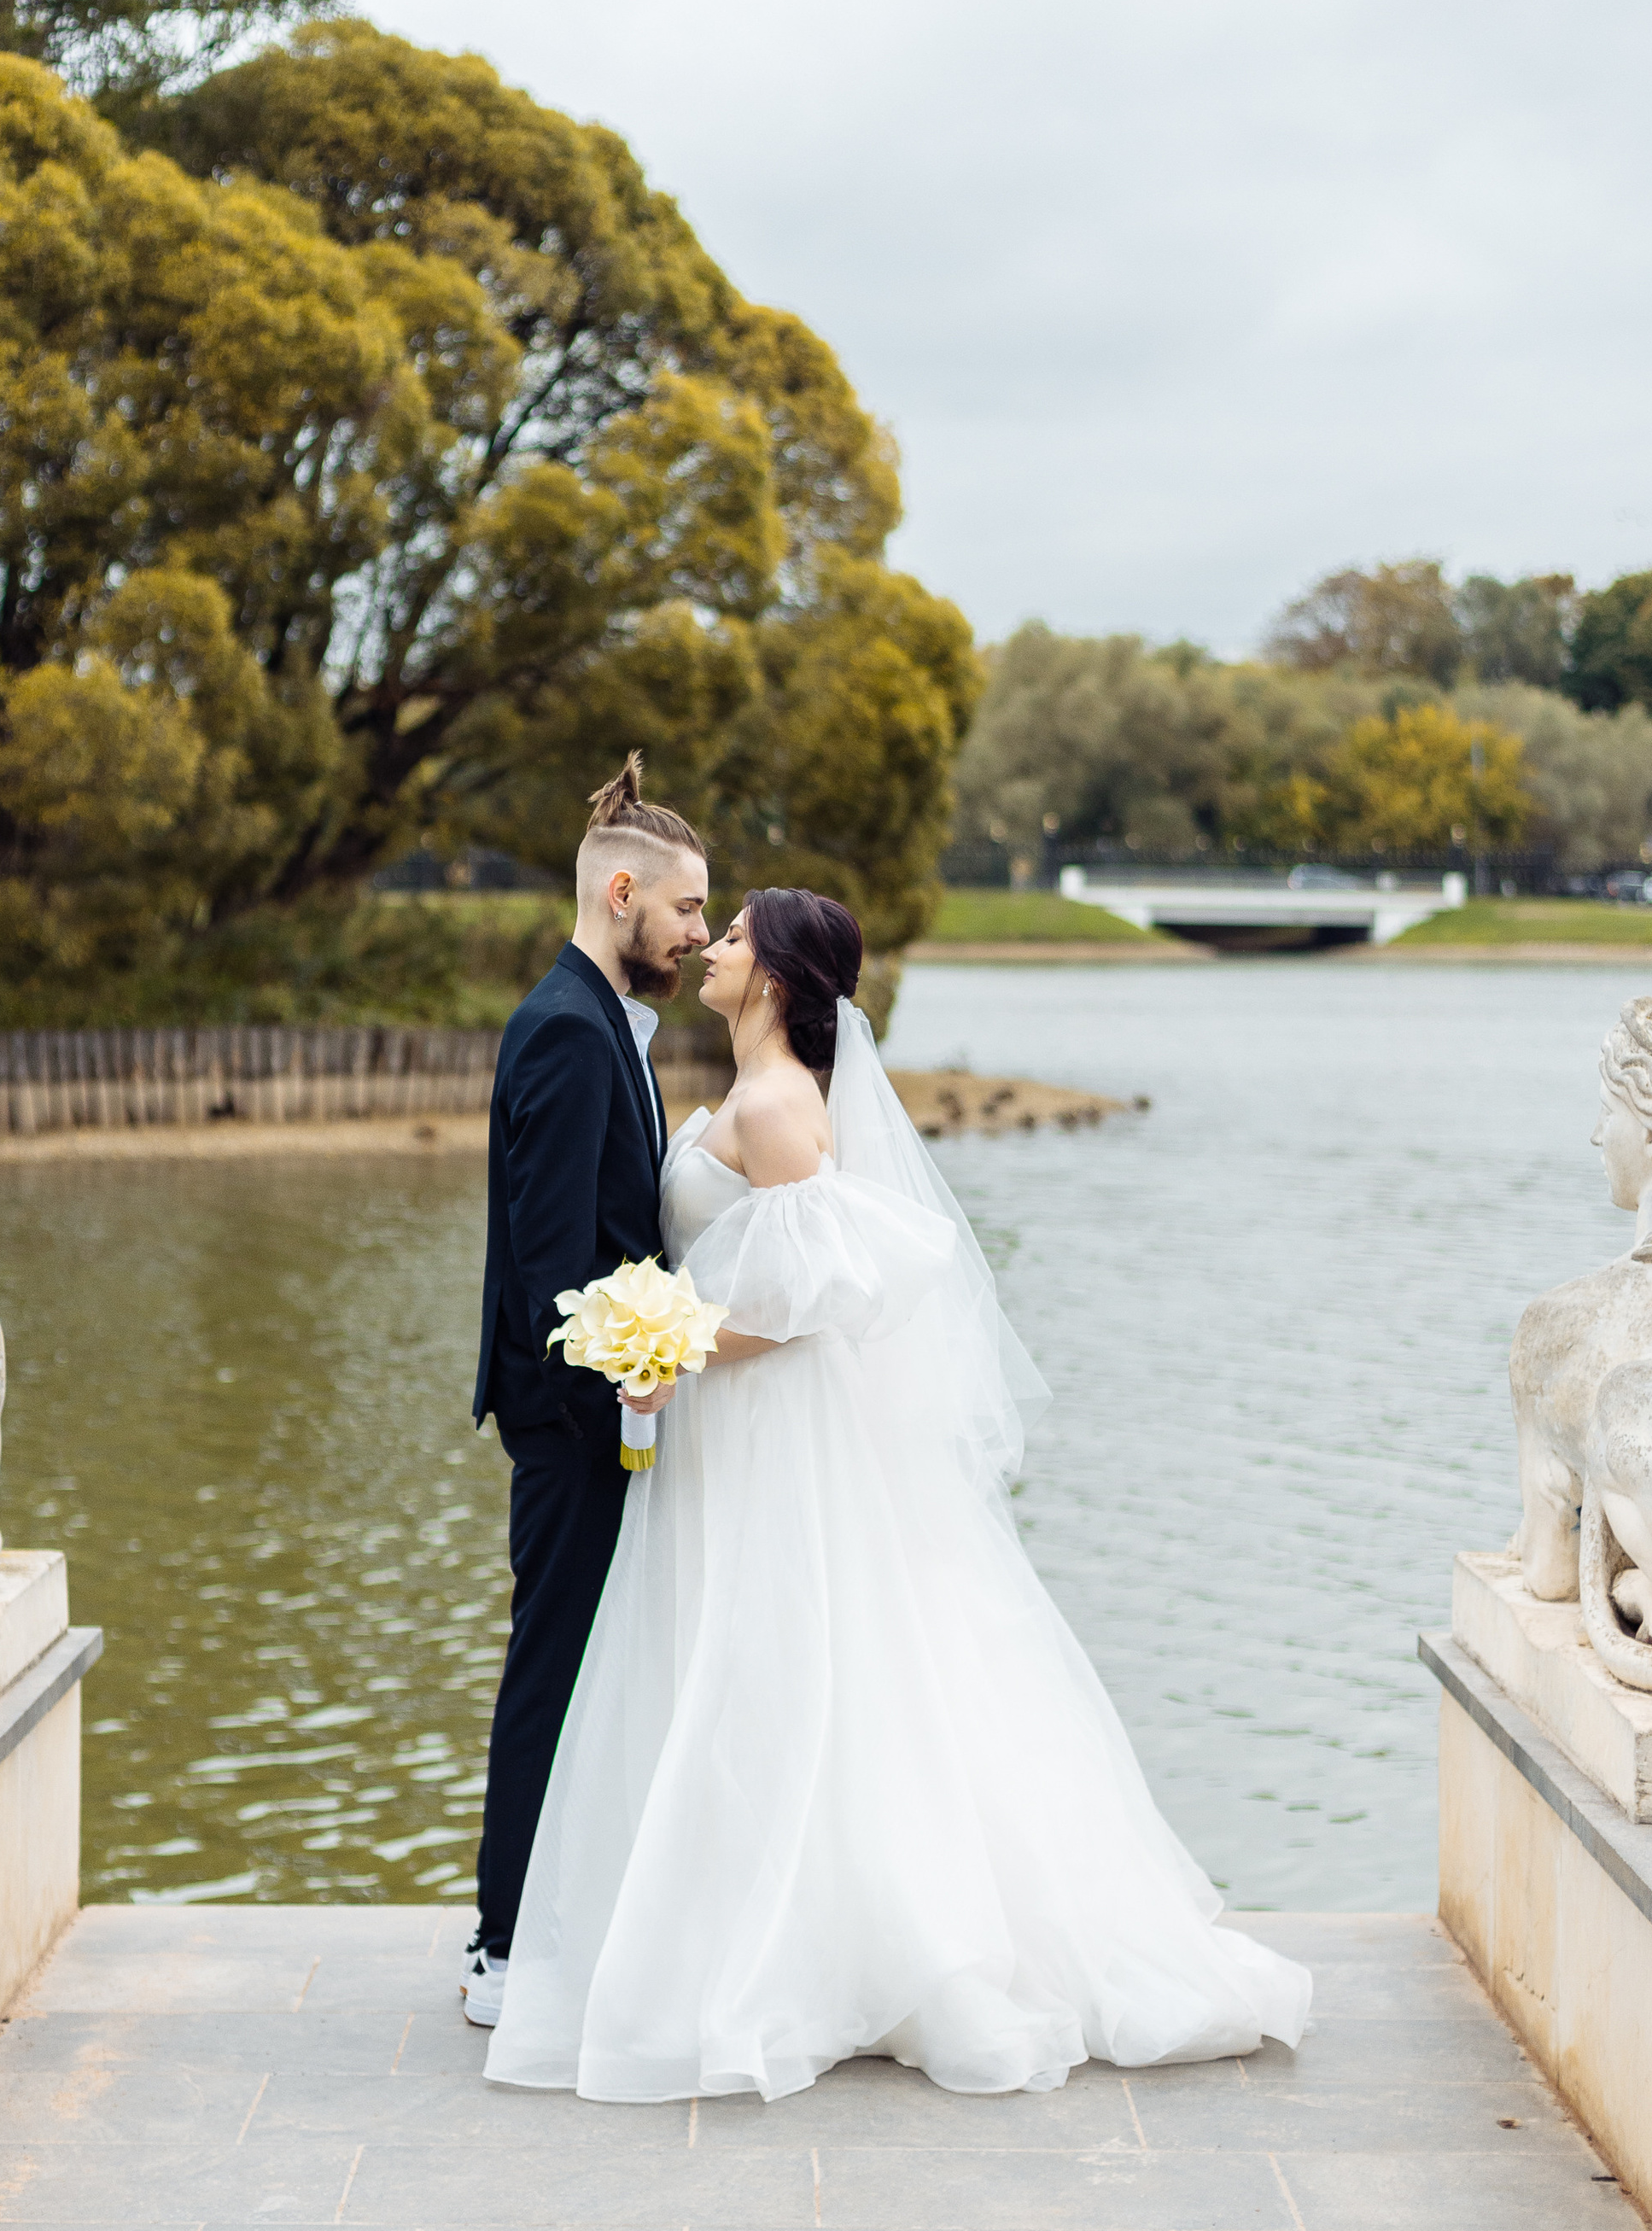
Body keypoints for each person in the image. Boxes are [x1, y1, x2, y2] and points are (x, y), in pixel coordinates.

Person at [486, 886, 1312, 2099]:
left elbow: (800, 1307)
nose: (709, 950)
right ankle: (768, 1926)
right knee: (755, 1680)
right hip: (728, 1437)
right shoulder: (764, 1094)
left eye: (730, 938)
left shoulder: (776, 1108)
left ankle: (833, 1951)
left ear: (769, 976)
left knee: (784, 1674)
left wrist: (658, 1341)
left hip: (766, 1434)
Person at [463, 759, 711, 2023]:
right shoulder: (565, 1027)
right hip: (568, 1423)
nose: (698, 935)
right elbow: (554, 1276)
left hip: (597, 1412)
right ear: (622, 893)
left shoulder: (600, 1016)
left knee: (582, 1668)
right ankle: (502, 1950)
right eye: (685, 912)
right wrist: (641, 1370)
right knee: (551, 1671)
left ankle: (549, 1921)